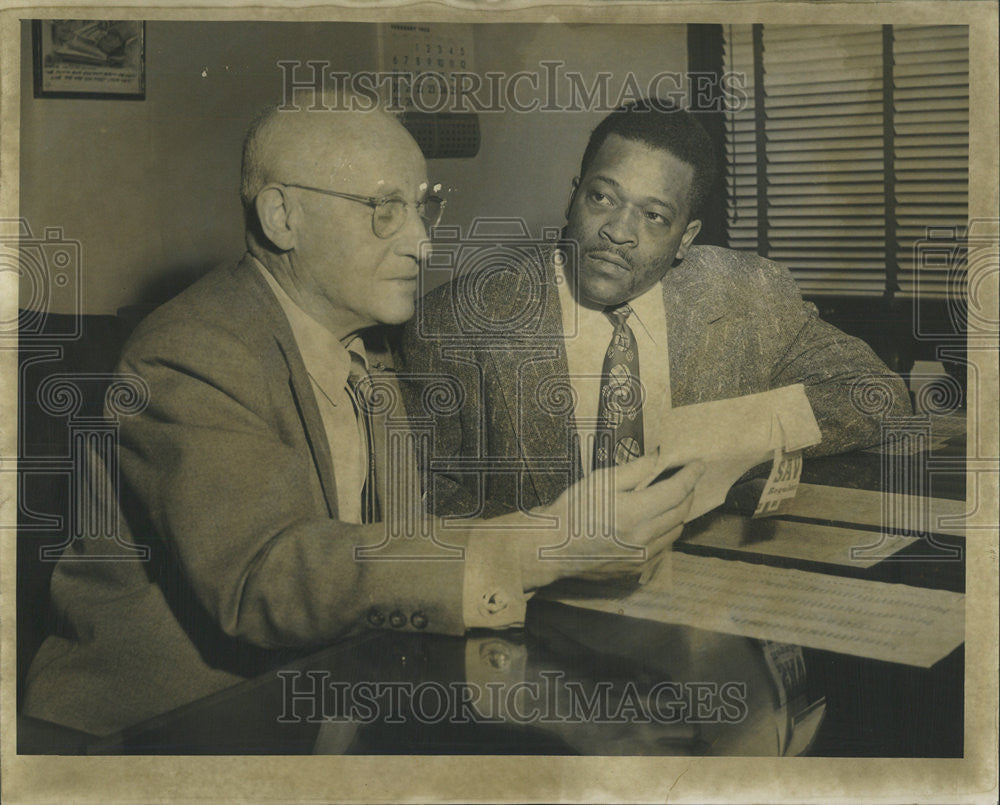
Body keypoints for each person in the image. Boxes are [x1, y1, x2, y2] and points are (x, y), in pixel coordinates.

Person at [22, 95, 702, 737]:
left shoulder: (368, 347)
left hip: (321, 703)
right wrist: (542, 542)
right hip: (153, 736)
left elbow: (399, 540)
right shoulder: (191, 351)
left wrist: (563, 531)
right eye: (383, 209)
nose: (422, 245)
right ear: (282, 216)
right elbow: (268, 576)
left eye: (423, 208)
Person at [400, 99, 912, 521]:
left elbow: (877, 396)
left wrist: (728, 439)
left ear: (685, 238)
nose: (619, 232)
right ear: (572, 196)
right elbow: (411, 491)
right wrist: (543, 549)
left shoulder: (745, 294)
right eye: (602, 197)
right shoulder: (456, 323)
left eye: (653, 215)